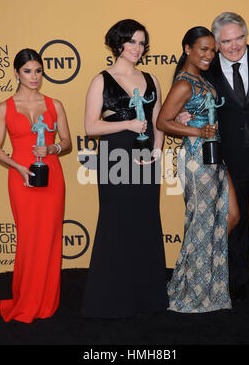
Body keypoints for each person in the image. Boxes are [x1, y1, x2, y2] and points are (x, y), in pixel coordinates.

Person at [180, 12, 249, 302]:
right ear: (216, 42)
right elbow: (183, 92)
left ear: (246, 36)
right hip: (228, 159)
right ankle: (238, 277)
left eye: (240, 38)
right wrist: (185, 116)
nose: (235, 46)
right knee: (235, 222)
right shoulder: (204, 68)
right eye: (226, 41)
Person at [82, 19, 168, 318]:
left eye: (142, 43)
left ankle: (148, 298)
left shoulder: (152, 78)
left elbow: (159, 119)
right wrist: (128, 123)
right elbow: (91, 127)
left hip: (147, 159)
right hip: (115, 157)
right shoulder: (101, 80)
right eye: (132, 41)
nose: (137, 48)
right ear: (118, 43)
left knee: (145, 223)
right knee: (117, 223)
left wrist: (158, 149)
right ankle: (110, 300)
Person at [157, 26, 239, 313]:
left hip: (214, 155)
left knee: (229, 216)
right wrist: (196, 129)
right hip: (197, 158)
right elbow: (162, 122)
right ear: (187, 49)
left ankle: (205, 285)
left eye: (212, 51)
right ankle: (189, 292)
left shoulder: (200, 78)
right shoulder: (183, 83)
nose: (209, 55)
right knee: (202, 223)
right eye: (203, 49)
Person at [0, 48, 72, 323]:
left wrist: (52, 147)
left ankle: (47, 301)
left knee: (49, 238)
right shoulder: (4, 107)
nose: (34, 76)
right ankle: (26, 300)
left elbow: (67, 142)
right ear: (16, 73)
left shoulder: (55, 104)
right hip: (20, 177)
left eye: (38, 70)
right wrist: (18, 166)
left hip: (52, 176)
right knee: (28, 239)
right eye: (28, 71)